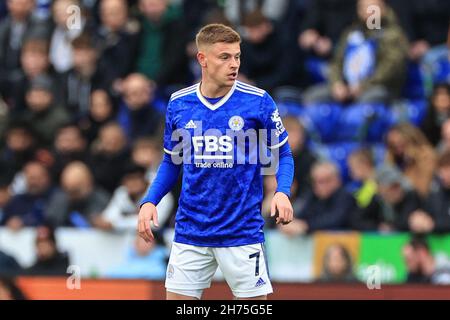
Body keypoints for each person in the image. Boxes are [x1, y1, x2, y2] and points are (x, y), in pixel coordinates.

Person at [137, 24, 294, 300]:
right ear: (202, 59)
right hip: (190, 231)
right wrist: (150, 201)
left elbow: (283, 155)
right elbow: (172, 162)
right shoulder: (179, 104)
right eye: (225, 57)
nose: (234, 64)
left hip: (241, 232)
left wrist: (282, 192)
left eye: (237, 56)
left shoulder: (258, 102)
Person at [279, 161, 354, 236]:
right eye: (319, 181)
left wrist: (306, 226)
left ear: (337, 180)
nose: (323, 185)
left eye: (327, 180)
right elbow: (300, 215)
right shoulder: (312, 196)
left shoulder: (346, 197)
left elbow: (335, 219)